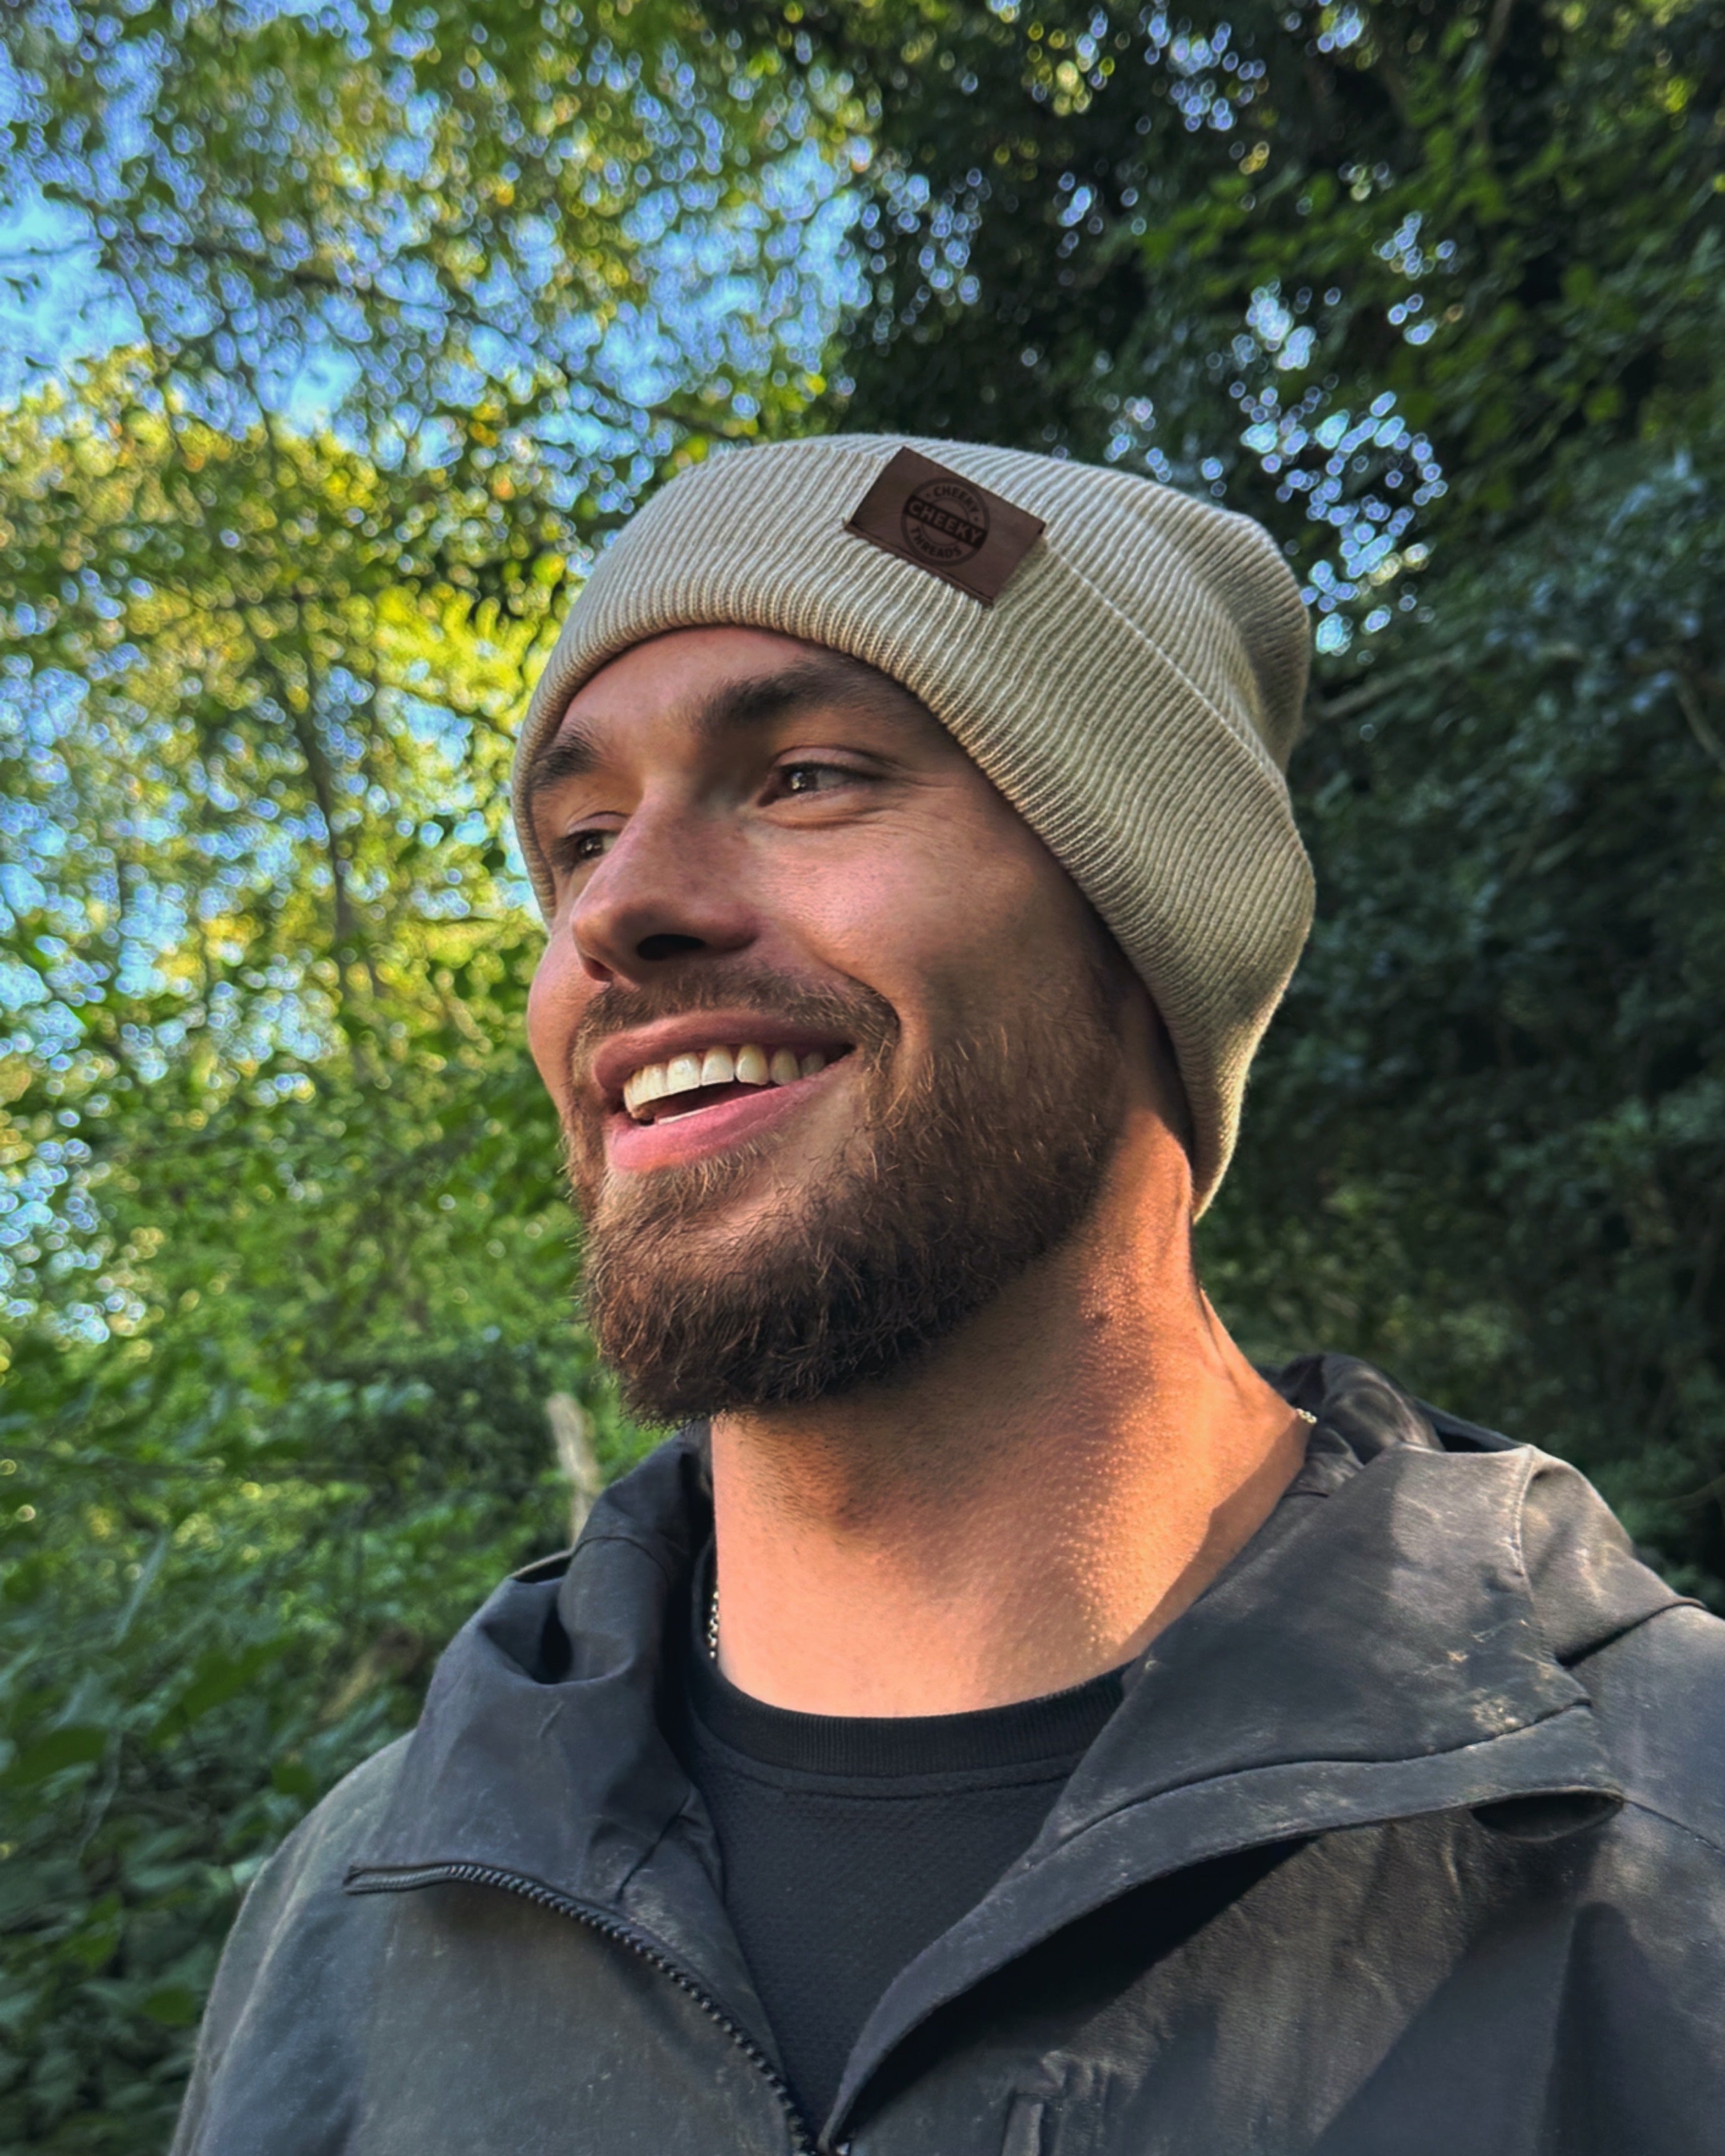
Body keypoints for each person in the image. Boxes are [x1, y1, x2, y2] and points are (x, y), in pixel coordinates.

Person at [171, 439, 1725, 2156]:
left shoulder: (1674, 1822)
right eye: (580, 833)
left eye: (810, 776)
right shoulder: (369, 1899)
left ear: (1150, 926)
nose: (616, 909)